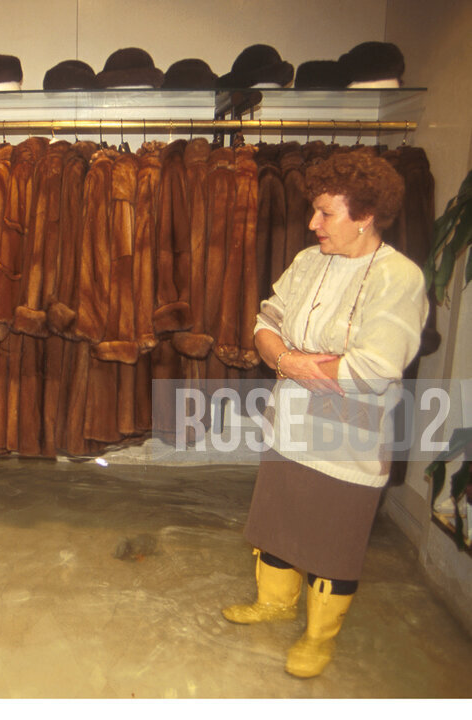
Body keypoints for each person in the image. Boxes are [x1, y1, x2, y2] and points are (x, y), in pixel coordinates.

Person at [221, 149, 429, 677]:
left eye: (326, 213)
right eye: (313, 211)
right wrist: (289, 357)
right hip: (290, 423)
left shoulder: (398, 278)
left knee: (333, 536)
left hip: (350, 438)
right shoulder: (308, 261)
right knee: (279, 517)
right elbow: (265, 322)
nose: (312, 223)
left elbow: (377, 366)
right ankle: (274, 601)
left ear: (366, 217)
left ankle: (319, 636)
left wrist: (293, 361)